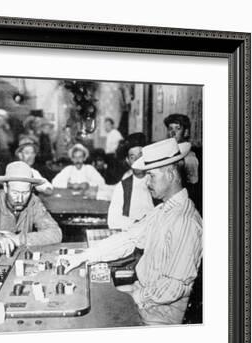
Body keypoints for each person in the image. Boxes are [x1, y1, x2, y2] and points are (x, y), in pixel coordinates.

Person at [65, 138, 202, 325]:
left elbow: (173, 287)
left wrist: (134, 296)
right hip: (145, 298)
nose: (147, 182)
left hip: (158, 315)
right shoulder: (162, 210)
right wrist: (84, 256)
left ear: (170, 174)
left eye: (152, 175)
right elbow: (129, 238)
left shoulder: (184, 221)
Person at [0, 161, 62, 256]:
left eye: (25, 193)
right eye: (15, 193)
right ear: (5, 188)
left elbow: (55, 233)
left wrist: (17, 239)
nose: (20, 199)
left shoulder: (34, 202)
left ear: (31, 189)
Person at [107, 133, 154, 230]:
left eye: (140, 156)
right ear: (128, 161)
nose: (137, 161)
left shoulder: (155, 180)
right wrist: (137, 223)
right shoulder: (123, 186)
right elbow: (112, 220)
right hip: (132, 233)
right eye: (133, 157)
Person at [163, 113, 201, 212]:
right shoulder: (167, 151)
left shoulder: (189, 156)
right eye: (170, 128)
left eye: (177, 129)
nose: (173, 132)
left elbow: (193, 187)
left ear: (186, 132)